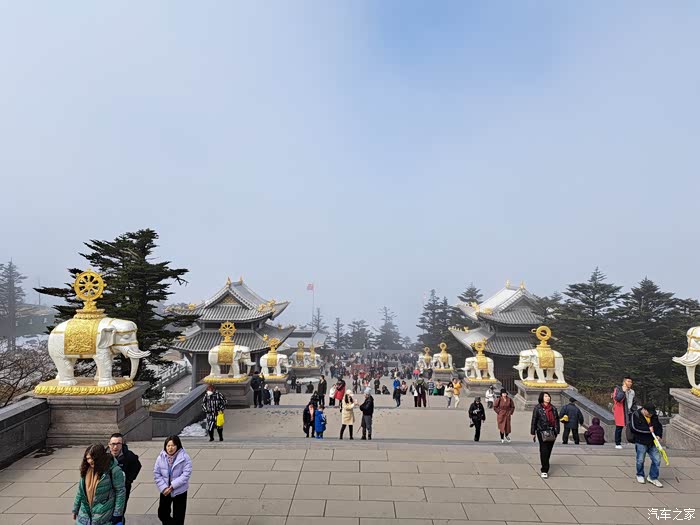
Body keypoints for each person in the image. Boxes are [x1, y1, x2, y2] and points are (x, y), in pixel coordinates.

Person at [73, 443, 126, 525]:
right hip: (85, 514)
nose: (90, 461)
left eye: (92, 458)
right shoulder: (86, 470)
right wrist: (75, 509)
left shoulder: (114, 470)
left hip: (104, 515)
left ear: (100, 457)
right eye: (88, 458)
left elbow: (120, 492)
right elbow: (80, 491)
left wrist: (117, 513)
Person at [154, 436, 192, 525]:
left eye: (173, 446)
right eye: (168, 446)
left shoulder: (184, 458)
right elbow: (157, 473)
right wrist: (164, 488)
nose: (170, 448)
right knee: (162, 514)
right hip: (165, 490)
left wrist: (172, 486)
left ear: (178, 446)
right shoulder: (161, 457)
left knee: (179, 517)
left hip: (179, 491)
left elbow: (186, 475)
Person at [108, 432, 142, 519]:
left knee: (119, 512)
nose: (115, 447)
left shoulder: (129, 456)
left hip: (123, 489)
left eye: (118, 444)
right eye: (113, 444)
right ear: (109, 444)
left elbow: (137, 466)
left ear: (122, 444)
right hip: (107, 489)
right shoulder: (104, 456)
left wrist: (128, 480)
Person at [630, 403, 664, 487]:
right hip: (641, 441)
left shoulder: (654, 416)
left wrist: (659, 435)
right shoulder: (636, 415)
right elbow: (634, 428)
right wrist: (649, 430)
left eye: (652, 413)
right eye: (649, 413)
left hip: (652, 441)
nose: (650, 415)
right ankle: (640, 474)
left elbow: (659, 426)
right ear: (644, 410)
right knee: (640, 460)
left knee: (657, 460)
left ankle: (653, 477)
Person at [531, 392, 560, 478]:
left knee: (549, 449)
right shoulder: (538, 408)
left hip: (552, 431)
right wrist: (533, 432)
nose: (548, 398)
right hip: (542, 431)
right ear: (542, 398)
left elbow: (557, 420)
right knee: (544, 449)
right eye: (546, 396)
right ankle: (544, 470)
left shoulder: (553, 408)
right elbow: (534, 420)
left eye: (548, 396)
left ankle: (545, 462)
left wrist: (557, 431)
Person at [612, 376, 636, 449]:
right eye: (628, 381)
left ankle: (632, 440)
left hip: (629, 411)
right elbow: (618, 399)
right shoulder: (618, 389)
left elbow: (633, 401)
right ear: (624, 382)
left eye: (631, 382)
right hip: (620, 411)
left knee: (632, 426)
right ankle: (617, 443)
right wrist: (623, 391)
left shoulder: (632, 392)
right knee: (619, 427)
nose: (630, 383)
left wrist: (634, 410)